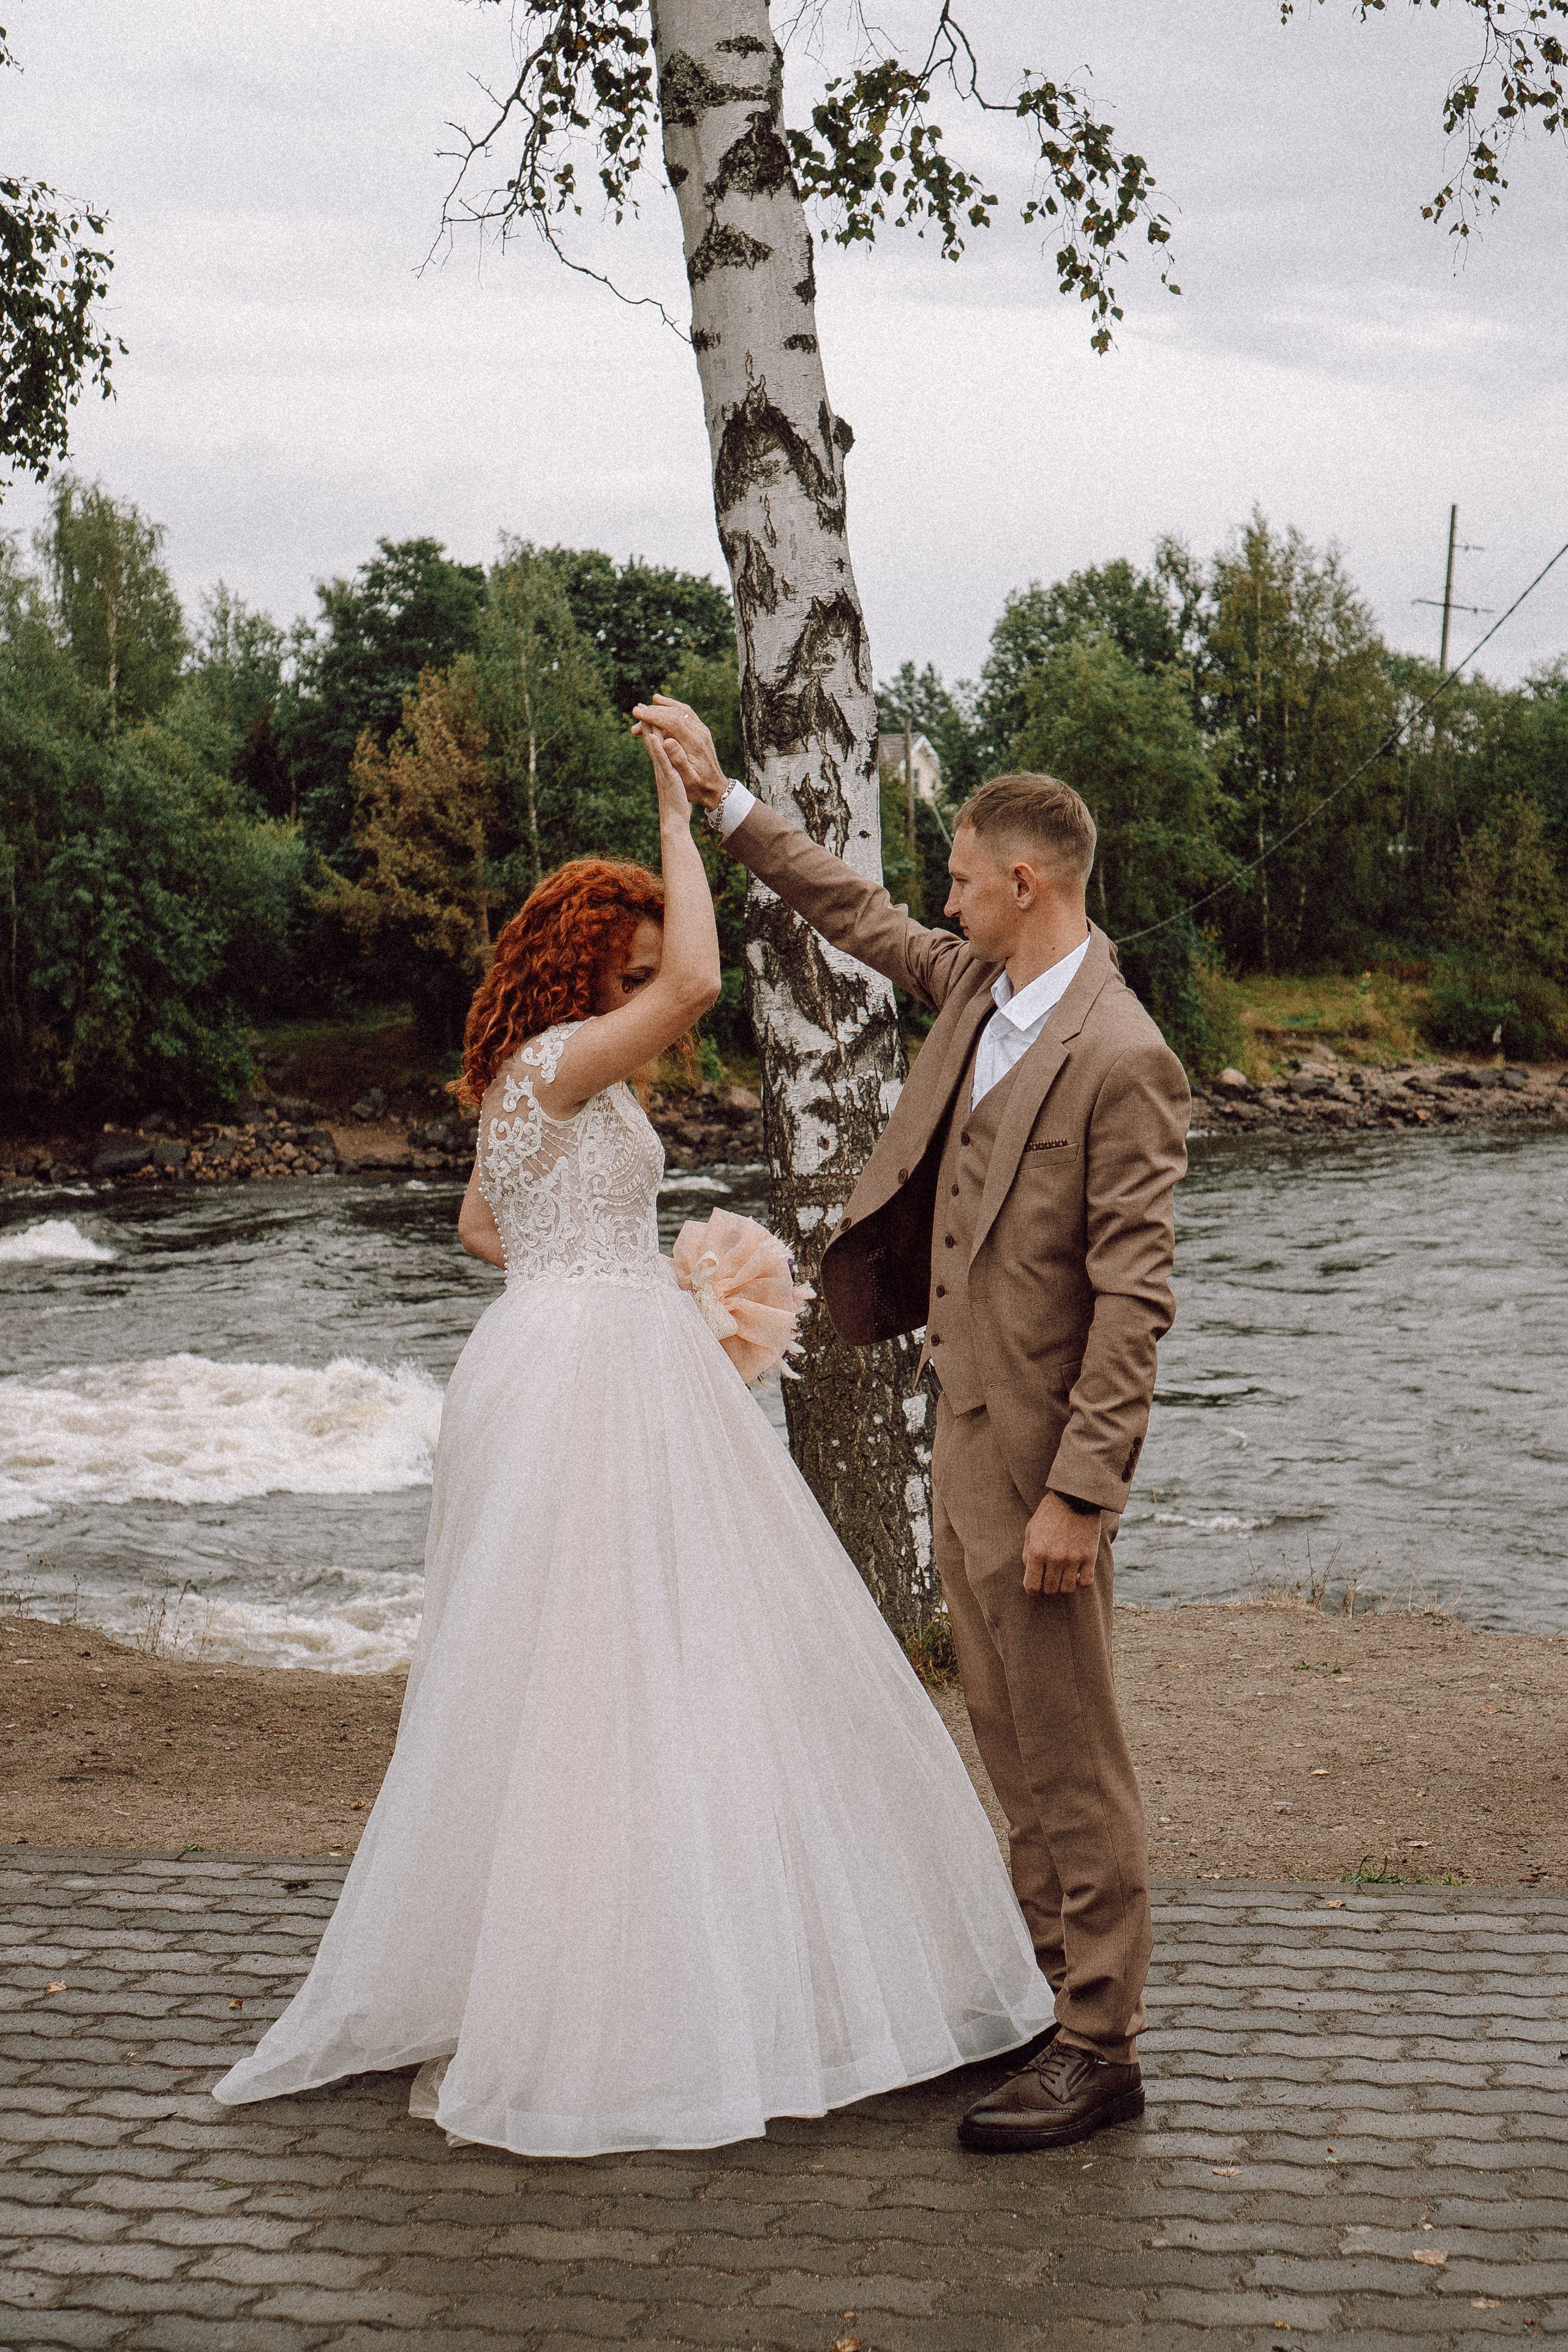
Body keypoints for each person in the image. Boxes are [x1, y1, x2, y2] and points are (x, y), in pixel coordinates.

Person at [211, 721, 1053, 2160]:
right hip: (591, 1369)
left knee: (575, 1658)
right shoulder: (561, 1059)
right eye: (634, 955)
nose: (653, 983)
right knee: (635, 1656)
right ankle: (624, 1998)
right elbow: (708, 977)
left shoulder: (522, 1077)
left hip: (551, 1349)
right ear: (593, 957)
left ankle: (617, 1953)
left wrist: (596, 1265)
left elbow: (487, 1229)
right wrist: (684, 804)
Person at [638, 693, 1189, 2153]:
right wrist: (723, 801)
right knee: (1005, 1737)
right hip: (957, 1433)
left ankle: (1102, 2042)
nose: (938, 897)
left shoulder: (1120, 1054)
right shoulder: (974, 988)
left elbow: (1133, 1305)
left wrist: (1080, 1497)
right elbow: (851, 909)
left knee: (1072, 1751)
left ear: (1028, 882)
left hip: (1039, 1463)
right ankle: (1043, 1996)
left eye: (959, 874)